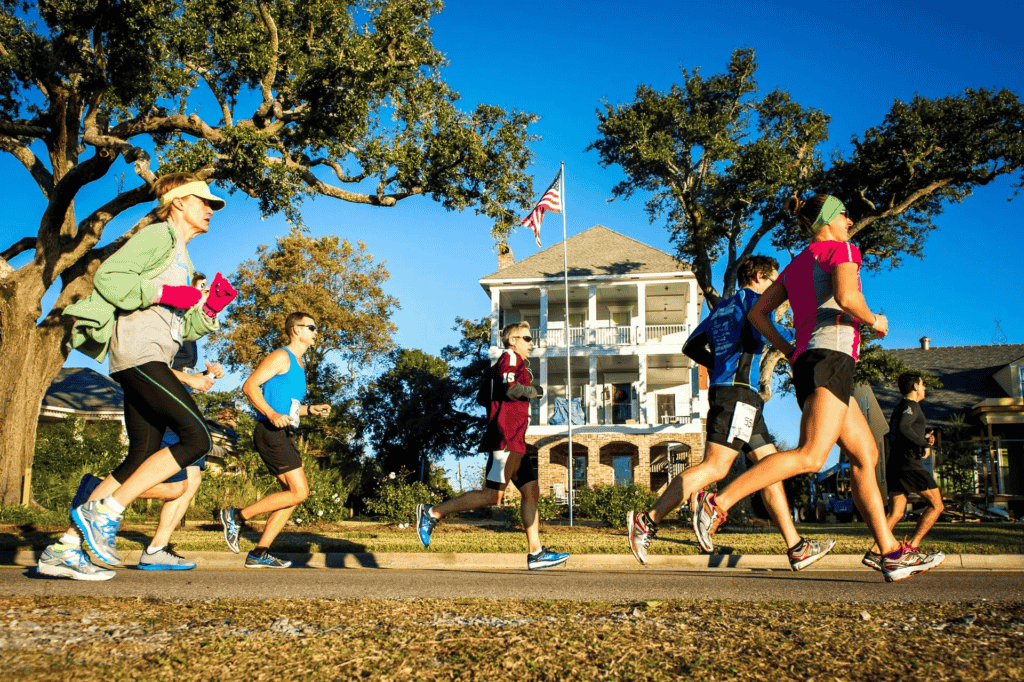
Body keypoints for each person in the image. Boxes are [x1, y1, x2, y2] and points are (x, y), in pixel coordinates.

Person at [691, 193, 944, 582]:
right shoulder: (842, 249)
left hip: (815, 361)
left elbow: (759, 314)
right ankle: (718, 502)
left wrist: (791, 349)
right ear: (829, 219)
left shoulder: (796, 265)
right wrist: (874, 320)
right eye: (845, 213)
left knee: (865, 454)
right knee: (811, 455)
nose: (850, 218)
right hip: (832, 359)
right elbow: (846, 297)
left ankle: (889, 550)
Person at [37, 173, 237, 581]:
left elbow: (182, 328)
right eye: (204, 202)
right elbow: (111, 278)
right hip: (140, 356)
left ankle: (66, 549)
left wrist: (210, 309)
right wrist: (167, 293)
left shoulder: (182, 257)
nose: (211, 210)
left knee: (140, 455)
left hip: (151, 355)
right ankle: (105, 513)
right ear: (179, 202)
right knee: (196, 438)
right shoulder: (160, 236)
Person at [628, 256, 835, 570]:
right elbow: (780, 336)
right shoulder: (755, 304)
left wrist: (718, 368)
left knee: (769, 470)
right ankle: (648, 520)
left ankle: (796, 547)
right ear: (758, 276)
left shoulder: (721, 308)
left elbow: (691, 346)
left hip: (736, 392)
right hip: (739, 394)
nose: (778, 289)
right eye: (774, 281)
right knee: (715, 467)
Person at [415, 322, 570, 570]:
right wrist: (535, 391)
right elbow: (511, 390)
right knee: (493, 496)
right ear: (513, 340)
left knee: (531, 492)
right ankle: (432, 513)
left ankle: (536, 552)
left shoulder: (510, 363)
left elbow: (484, 395)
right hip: (506, 438)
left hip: (515, 439)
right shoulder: (509, 357)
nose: (531, 343)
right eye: (527, 338)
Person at [217, 312, 331, 568]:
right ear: (296, 330)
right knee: (300, 492)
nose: (315, 332)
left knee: (291, 495)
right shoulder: (282, 357)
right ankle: (236, 515)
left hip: (283, 432)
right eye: (311, 327)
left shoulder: (299, 366)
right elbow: (249, 386)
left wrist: (310, 409)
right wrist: (270, 413)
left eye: (316, 328)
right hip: (270, 431)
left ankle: (259, 552)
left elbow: (287, 407)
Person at [863, 372, 944, 567]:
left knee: (897, 512)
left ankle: (875, 552)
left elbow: (904, 432)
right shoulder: (910, 405)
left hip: (897, 465)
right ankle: (913, 547)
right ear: (915, 386)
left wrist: (924, 442)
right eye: (923, 385)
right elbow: (903, 429)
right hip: (909, 467)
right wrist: (923, 444)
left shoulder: (902, 407)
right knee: (937, 505)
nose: (924, 389)